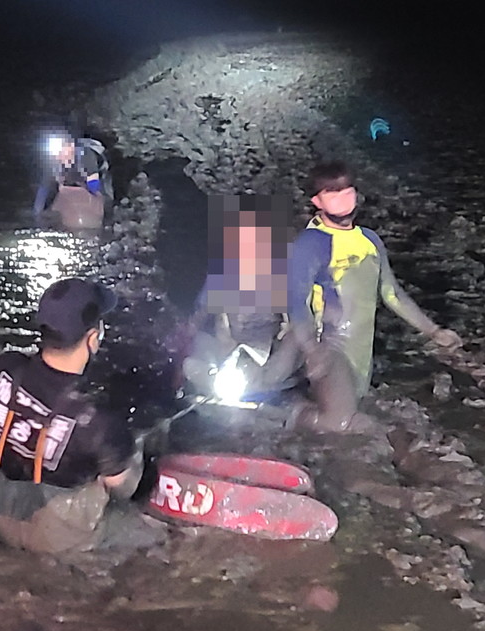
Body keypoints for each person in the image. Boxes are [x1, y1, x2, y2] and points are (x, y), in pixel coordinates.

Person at [287, 161, 462, 430]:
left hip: (361, 349)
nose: (342, 199)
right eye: (331, 193)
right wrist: (312, 350)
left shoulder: (370, 240)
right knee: (339, 422)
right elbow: (295, 302)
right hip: (330, 346)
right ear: (317, 201)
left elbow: (392, 294)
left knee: (355, 415)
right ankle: (287, 415)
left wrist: (433, 331)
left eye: (347, 191)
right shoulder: (310, 243)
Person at [0, 277, 141, 555]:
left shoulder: (5, 368)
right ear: (93, 338)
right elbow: (124, 488)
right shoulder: (96, 417)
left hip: (0, 514)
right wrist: (132, 448)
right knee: (152, 531)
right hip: (57, 539)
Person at [181, 195, 300, 403]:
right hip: (229, 350)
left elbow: (297, 319)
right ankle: (227, 386)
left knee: (296, 340)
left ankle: (262, 387)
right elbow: (199, 319)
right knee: (194, 350)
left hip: (267, 354)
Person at [32, 131, 113, 231]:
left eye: (62, 151)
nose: (59, 155)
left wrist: (93, 207)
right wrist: (37, 215)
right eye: (57, 153)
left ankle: (109, 222)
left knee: (105, 199)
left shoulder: (86, 156)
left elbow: (94, 185)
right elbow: (44, 188)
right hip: (73, 181)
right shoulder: (53, 163)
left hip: (96, 178)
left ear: (71, 146)